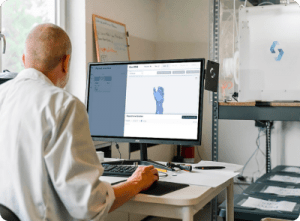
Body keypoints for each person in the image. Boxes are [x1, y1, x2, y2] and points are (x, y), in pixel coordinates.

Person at [0, 23, 158, 221]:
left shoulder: (3, 95)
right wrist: (136, 182)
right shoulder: (64, 105)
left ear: (24, 60)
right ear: (66, 62)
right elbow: (90, 205)